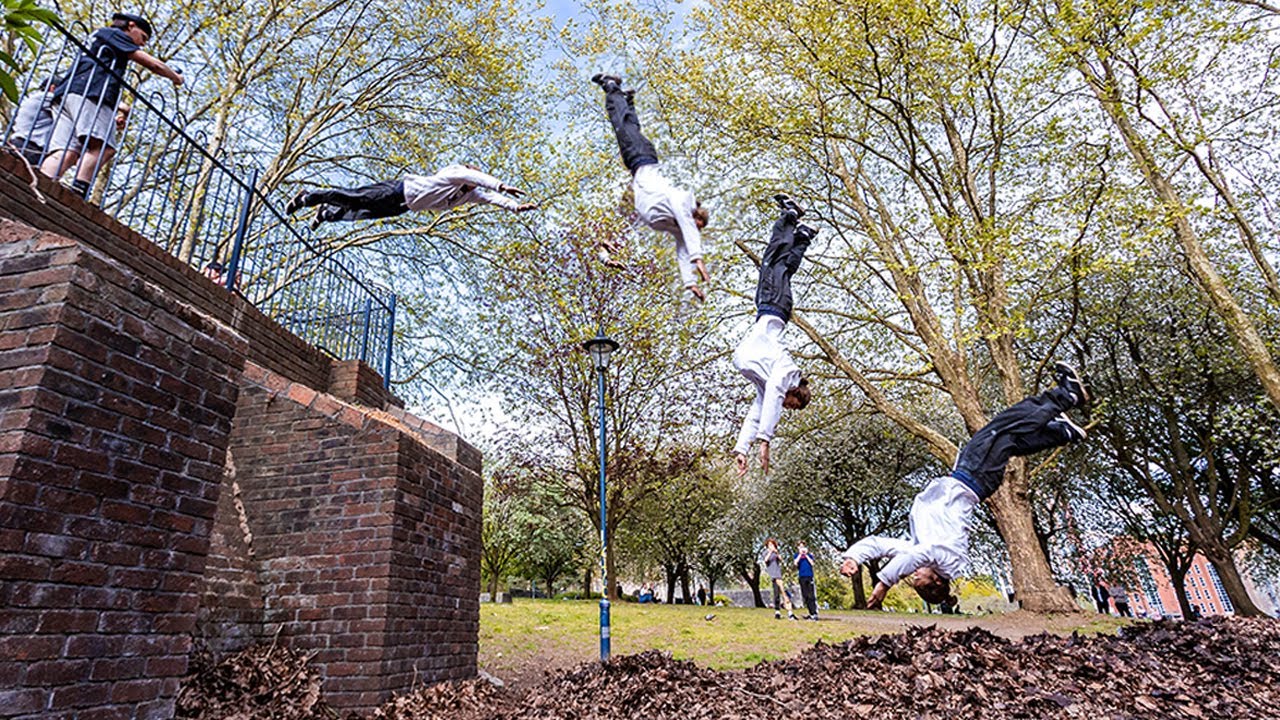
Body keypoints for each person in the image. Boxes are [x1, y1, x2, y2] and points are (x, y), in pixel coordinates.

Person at [839, 363, 1090, 608]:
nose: (913, 573)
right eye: (918, 578)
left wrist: (854, 557)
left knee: (1008, 440)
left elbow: (879, 545)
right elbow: (919, 555)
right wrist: (884, 583)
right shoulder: (948, 560)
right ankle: (1066, 396)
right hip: (974, 478)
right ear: (936, 580)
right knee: (1001, 427)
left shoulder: (922, 550)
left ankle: (1063, 433)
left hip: (967, 476)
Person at [591, 73, 710, 301]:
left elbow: (682, 251)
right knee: (621, 125)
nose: (692, 228)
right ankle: (611, 85)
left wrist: (690, 282)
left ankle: (627, 99)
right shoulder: (682, 201)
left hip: (639, 164)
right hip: (642, 159)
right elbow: (688, 229)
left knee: (629, 128)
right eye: (696, 223)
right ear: (695, 214)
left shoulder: (671, 224)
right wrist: (699, 257)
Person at [42, 12, 183, 197]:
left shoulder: (99, 36)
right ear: (131, 26)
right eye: (143, 37)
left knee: (67, 151)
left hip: (67, 94)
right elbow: (153, 64)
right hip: (89, 92)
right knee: (103, 148)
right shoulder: (115, 34)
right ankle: (78, 192)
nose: (142, 43)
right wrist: (175, 76)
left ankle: (39, 185)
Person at [732, 195, 815, 476]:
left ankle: (804, 235)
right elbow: (772, 401)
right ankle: (792, 215)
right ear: (796, 393)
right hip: (773, 307)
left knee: (782, 267)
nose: (784, 406)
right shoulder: (785, 373)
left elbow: (756, 413)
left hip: (772, 307)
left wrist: (742, 448)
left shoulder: (769, 383)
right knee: (772, 261)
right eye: (790, 404)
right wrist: (765, 441)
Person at [285, 163, 536, 230]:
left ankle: (326, 214)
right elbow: (484, 182)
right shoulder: (454, 174)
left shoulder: (468, 195)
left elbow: (491, 199)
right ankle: (309, 197)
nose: (474, 187)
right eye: (472, 182)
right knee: (355, 198)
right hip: (398, 189)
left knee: (362, 213)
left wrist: (515, 207)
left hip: (403, 207)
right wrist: (503, 185)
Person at [8, 75, 62, 165]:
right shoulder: (47, 97)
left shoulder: (34, 98)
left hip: (20, 143)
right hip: (30, 148)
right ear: (52, 88)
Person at [761, 538, 798, 620]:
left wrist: (776, 552)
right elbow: (766, 560)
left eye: (773, 544)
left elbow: (781, 559)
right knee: (776, 594)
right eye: (770, 544)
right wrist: (770, 552)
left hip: (779, 575)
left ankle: (790, 613)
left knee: (784, 593)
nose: (771, 546)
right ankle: (778, 612)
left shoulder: (775, 553)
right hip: (773, 575)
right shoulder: (766, 553)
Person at [794, 542, 818, 620]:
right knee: (805, 596)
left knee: (811, 595)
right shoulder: (797, 556)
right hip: (802, 577)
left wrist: (806, 555)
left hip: (809, 576)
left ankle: (814, 613)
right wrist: (800, 555)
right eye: (800, 547)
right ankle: (811, 613)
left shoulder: (809, 555)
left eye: (803, 546)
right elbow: (795, 563)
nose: (802, 548)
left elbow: (812, 563)